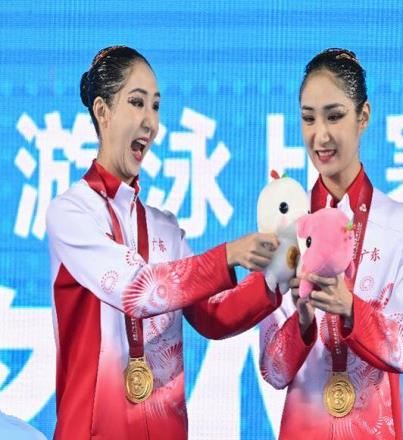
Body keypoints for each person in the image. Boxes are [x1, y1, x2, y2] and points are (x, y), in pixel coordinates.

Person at [46, 46, 282, 440]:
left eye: (155, 107)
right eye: (136, 103)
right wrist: (228, 255)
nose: (150, 122)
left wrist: (277, 276)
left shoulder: (165, 228)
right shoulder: (71, 213)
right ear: (102, 111)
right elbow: (138, 292)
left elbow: (213, 315)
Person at [259, 48, 403, 439]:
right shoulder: (286, 227)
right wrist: (303, 323)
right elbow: (273, 371)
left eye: (334, 116)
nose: (320, 135)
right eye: (308, 118)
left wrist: (350, 307)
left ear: (363, 116)